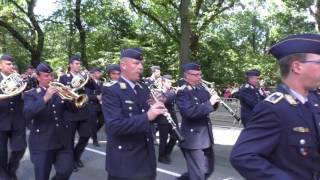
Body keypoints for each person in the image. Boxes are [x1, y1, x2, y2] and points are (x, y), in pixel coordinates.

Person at [230, 33, 320, 179]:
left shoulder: (313, 102)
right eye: (318, 63)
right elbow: (243, 156)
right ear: (297, 67)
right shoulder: (274, 108)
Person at [101, 48, 167, 180]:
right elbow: (115, 126)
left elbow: (150, 119)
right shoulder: (111, 91)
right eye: (136, 63)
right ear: (123, 65)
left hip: (146, 161)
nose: (141, 67)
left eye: (141, 64)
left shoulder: (143, 88)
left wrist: (159, 109)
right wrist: (148, 115)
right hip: (124, 164)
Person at [23, 62, 75, 180]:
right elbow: (27, 113)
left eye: (51, 75)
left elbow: (73, 110)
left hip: (62, 141)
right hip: (42, 143)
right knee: (42, 176)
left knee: (66, 170)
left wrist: (70, 97)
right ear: (38, 76)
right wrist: (45, 97)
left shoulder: (59, 92)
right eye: (46, 76)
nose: (50, 78)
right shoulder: (30, 94)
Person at [176, 63, 220, 180]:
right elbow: (189, 113)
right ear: (187, 76)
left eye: (200, 74)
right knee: (198, 175)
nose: (199, 77)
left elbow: (210, 107)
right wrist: (210, 103)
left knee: (208, 170)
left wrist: (215, 101)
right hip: (192, 138)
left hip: (205, 137)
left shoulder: (201, 89)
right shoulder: (183, 92)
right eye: (195, 75)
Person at [59, 55, 91, 172]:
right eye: (76, 63)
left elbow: (92, 86)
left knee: (86, 135)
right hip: (70, 112)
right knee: (69, 140)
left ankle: (76, 157)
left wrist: (90, 77)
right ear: (70, 65)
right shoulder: (63, 78)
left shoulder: (84, 76)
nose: (78, 66)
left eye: (79, 64)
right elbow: (61, 94)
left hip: (83, 111)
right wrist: (68, 88)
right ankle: (70, 161)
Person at [0, 54, 27, 180]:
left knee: (20, 148)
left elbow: (23, 98)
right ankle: (4, 175)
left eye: (12, 64)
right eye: (8, 64)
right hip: (1, 120)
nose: (11, 66)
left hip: (17, 119)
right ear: (0, 65)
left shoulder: (17, 78)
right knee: (1, 153)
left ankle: (11, 171)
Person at [157, 74, 178, 164]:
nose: (170, 84)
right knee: (163, 138)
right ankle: (161, 156)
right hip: (163, 117)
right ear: (163, 82)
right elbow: (166, 100)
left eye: (170, 82)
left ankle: (167, 152)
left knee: (176, 135)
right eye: (168, 82)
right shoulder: (159, 91)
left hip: (172, 116)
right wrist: (174, 93)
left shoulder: (172, 91)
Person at [86, 67, 104, 147]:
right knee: (93, 123)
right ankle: (95, 139)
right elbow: (87, 95)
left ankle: (92, 134)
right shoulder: (88, 83)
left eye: (100, 72)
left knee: (102, 121)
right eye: (98, 72)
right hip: (91, 105)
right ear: (93, 74)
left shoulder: (101, 82)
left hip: (100, 105)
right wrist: (96, 97)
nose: (100, 74)